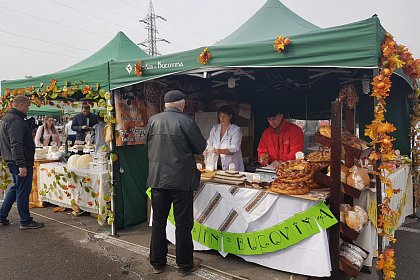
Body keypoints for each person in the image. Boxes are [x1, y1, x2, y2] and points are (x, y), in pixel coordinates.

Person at [146, 90, 206, 277]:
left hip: (157, 178)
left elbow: (147, 143)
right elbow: (200, 146)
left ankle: (157, 263)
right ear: (182, 104)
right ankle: (185, 265)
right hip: (180, 180)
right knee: (182, 223)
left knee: (158, 222)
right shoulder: (186, 121)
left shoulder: (153, 120)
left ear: (165, 105)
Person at [0, 95, 44, 229]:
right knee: (23, 190)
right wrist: (21, 164)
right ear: (20, 105)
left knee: (16, 188)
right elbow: (16, 143)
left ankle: (2, 215)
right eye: (27, 106)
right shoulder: (15, 120)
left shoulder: (7, 118)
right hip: (19, 160)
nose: (28, 108)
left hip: (12, 159)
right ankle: (25, 220)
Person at [205, 105, 244, 171]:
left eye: (224, 116)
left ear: (230, 116)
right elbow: (209, 143)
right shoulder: (215, 128)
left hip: (232, 166)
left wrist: (221, 151)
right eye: (220, 116)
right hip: (216, 165)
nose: (222, 118)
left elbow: (235, 147)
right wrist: (207, 150)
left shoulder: (236, 130)